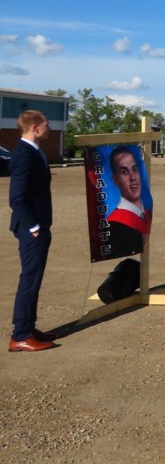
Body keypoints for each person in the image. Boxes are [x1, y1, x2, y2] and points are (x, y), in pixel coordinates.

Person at [8, 110, 57, 352]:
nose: (49, 127)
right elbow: (16, 198)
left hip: (38, 224)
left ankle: (28, 327)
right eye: (46, 124)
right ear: (35, 127)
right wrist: (34, 227)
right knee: (29, 279)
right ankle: (20, 335)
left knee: (33, 279)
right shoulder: (24, 155)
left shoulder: (35, 151)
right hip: (31, 228)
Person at [105, 146, 150, 258]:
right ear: (115, 179)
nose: (132, 177)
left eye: (135, 169)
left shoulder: (146, 213)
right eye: (124, 172)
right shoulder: (114, 225)